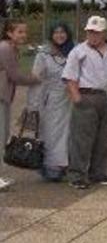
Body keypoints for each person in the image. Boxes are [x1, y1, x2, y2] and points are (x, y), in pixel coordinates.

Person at [62, 16, 107, 189]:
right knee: (82, 138)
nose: (93, 36)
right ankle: (77, 174)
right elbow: (70, 77)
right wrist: (77, 98)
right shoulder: (78, 51)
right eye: (90, 32)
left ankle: (98, 172)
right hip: (87, 95)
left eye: (97, 33)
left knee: (105, 138)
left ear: (104, 33)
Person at [27, 23, 71, 182]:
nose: (60, 35)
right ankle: (52, 167)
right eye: (56, 32)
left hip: (70, 99)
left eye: (63, 32)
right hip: (51, 99)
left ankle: (64, 165)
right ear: (51, 35)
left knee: (68, 134)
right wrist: (33, 104)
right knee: (52, 134)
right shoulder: (43, 54)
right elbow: (36, 80)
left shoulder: (72, 52)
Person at [0, 19, 41, 191]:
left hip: (4, 96)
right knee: (1, 135)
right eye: (19, 32)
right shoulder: (6, 48)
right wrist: (36, 79)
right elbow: (15, 75)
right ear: (9, 33)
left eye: (24, 32)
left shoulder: (11, 48)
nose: (23, 35)